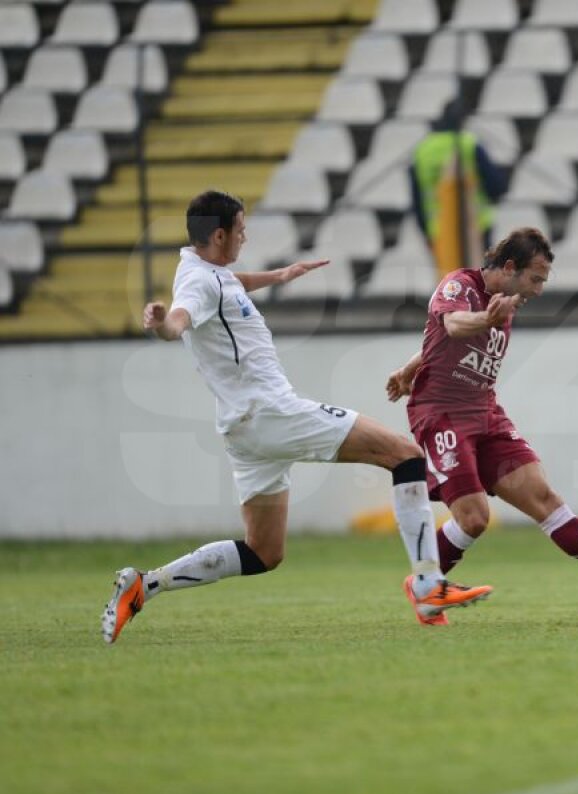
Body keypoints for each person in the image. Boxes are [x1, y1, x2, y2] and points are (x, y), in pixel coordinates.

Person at [101, 190, 492, 644]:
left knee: (263, 551)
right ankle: (427, 585)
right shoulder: (198, 284)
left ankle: (143, 586)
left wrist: (280, 275)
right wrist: (163, 324)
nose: (245, 237)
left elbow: (230, 283)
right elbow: (181, 319)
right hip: (271, 411)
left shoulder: (207, 270)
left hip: (243, 429)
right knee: (405, 456)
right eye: (242, 230)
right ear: (221, 233)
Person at [385, 227, 578, 626]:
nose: (539, 290)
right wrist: (482, 320)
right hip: (442, 414)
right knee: (474, 518)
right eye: (535, 279)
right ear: (510, 268)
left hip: (486, 412)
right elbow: (454, 325)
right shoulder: (461, 285)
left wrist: (409, 367)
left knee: (543, 498)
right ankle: (425, 588)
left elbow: (438, 339)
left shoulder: (503, 303)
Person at [409, 99, 507, 272]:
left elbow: (417, 201)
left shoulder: (422, 150)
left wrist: (426, 232)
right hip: (476, 227)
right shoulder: (469, 144)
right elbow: (496, 187)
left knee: (451, 287)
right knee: (478, 287)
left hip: (438, 231)